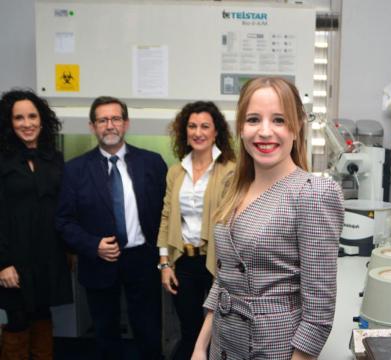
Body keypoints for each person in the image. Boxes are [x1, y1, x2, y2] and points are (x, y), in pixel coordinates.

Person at [192, 77, 344, 360]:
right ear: (240, 127)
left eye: (278, 120)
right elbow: (225, 279)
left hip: (272, 349)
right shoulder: (234, 188)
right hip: (223, 344)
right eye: (253, 119)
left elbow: (318, 315)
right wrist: (201, 346)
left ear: (297, 127)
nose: (264, 132)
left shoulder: (312, 194)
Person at [55, 96, 167, 360]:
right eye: (102, 120)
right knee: (105, 336)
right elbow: (63, 220)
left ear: (126, 123)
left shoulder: (152, 163)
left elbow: (167, 213)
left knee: (149, 333)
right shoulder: (75, 169)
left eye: (115, 118)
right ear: (92, 126)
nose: (110, 125)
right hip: (99, 261)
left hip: (143, 259)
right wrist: (93, 245)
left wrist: (165, 256)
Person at [157, 101, 235, 360]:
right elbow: (167, 217)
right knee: (189, 331)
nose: (198, 132)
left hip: (217, 262)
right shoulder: (176, 172)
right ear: (184, 131)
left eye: (205, 126)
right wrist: (165, 264)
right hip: (184, 263)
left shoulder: (231, 170)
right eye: (192, 126)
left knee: (219, 330)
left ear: (216, 132)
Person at [0, 89, 72, 360]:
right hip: (13, 258)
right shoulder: (2, 160)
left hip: (48, 254)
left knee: (43, 313)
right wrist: (3, 262)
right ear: (9, 122)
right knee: (18, 317)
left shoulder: (53, 158)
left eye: (32, 116)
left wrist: (68, 250)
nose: (27, 123)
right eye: (19, 118)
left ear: (42, 121)